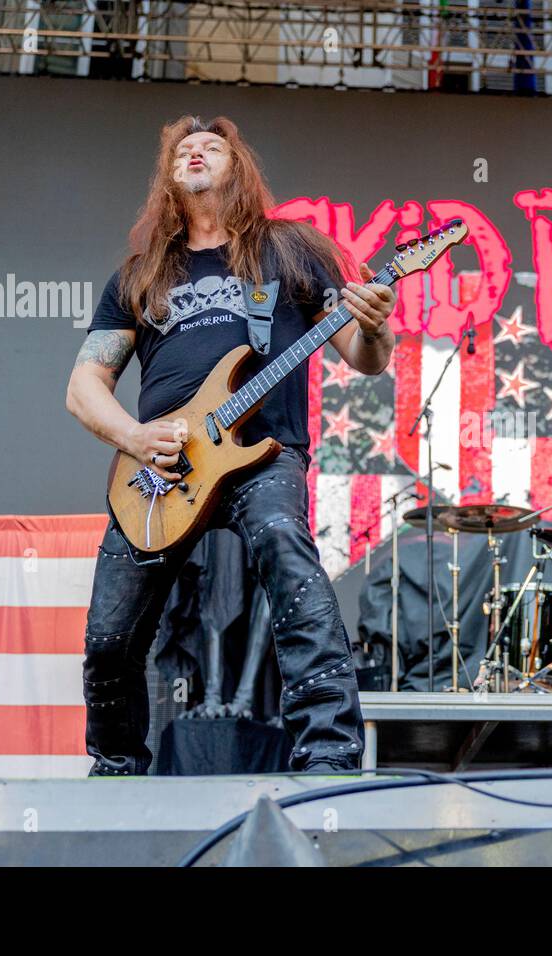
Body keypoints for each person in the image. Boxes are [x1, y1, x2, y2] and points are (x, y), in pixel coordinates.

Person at [65, 115, 396, 775]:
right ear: (169, 176)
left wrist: (379, 328)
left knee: (288, 556)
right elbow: (83, 385)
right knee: (108, 637)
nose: (195, 152)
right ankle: (116, 767)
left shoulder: (291, 251)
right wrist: (133, 434)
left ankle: (328, 753)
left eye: (211, 146)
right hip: (159, 469)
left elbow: (363, 356)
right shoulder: (140, 275)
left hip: (263, 456)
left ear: (236, 168)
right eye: (184, 149)